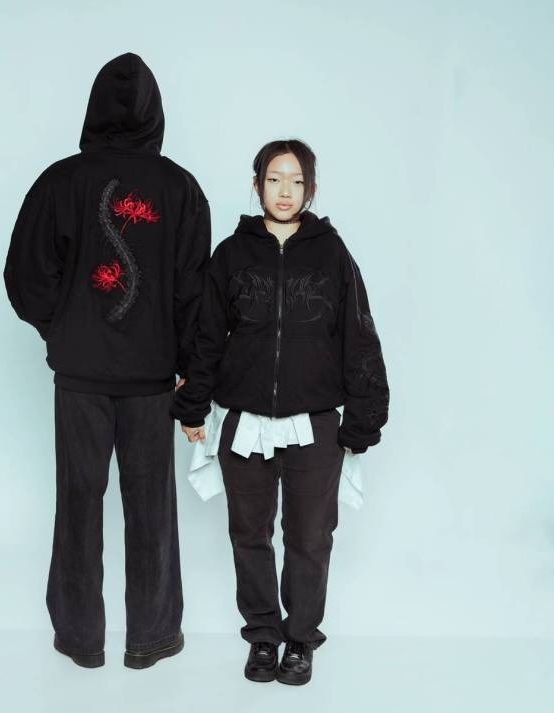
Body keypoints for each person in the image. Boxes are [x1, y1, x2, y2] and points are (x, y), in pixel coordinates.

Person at [4, 52, 211, 670]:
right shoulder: (180, 188)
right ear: (156, 113)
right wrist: (184, 361)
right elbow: (193, 292)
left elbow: (24, 276)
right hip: (152, 377)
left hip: (82, 378)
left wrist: (64, 329)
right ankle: (152, 638)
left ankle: (79, 639)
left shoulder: (59, 182)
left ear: (93, 107)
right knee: (152, 509)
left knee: (78, 504)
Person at [170, 139, 389, 685]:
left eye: (295, 180)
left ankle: (301, 639)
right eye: (273, 179)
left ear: (311, 188)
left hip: (314, 423)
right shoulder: (231, 254)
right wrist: (193, 406)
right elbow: (205, 338)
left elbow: (359, 336)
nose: (284, 190)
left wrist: (364, 416)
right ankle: (263, 636)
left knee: (310, 538)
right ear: (257, 185)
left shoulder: (332, 254)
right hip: (245, 421)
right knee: (249, 534)